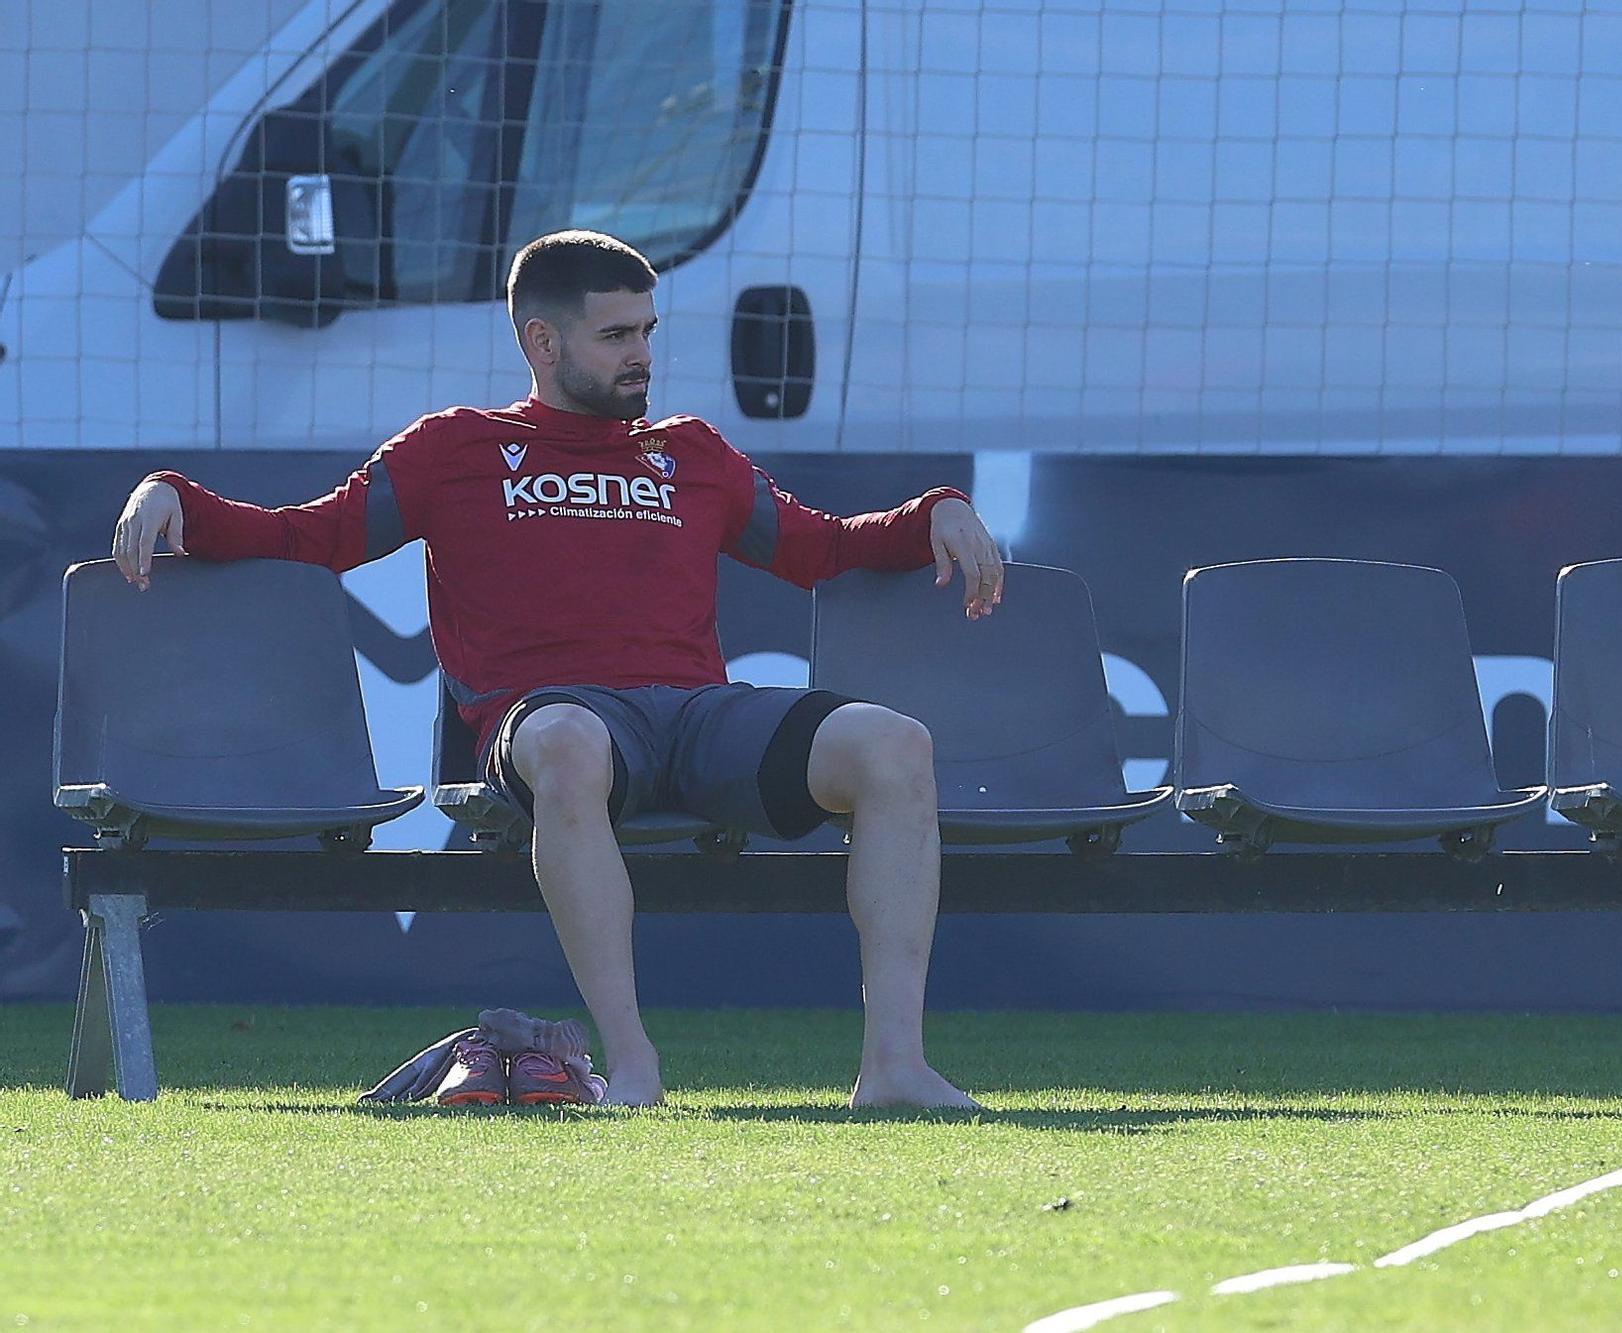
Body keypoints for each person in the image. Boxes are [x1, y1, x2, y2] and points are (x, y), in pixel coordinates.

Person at [110, 229, 1004, 1109]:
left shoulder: (692, 453)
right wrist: (173, 494)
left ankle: (894, 1069)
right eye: (617, 335)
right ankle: (634, 1062)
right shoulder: (453, 448)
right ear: (542, 341)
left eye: (649, 332)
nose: (642, 356)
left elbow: (817, 548)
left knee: (895, 743)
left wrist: (934, 511)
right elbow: (312, 536)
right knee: (572, 740)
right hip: (554, 718)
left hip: (697, 716)